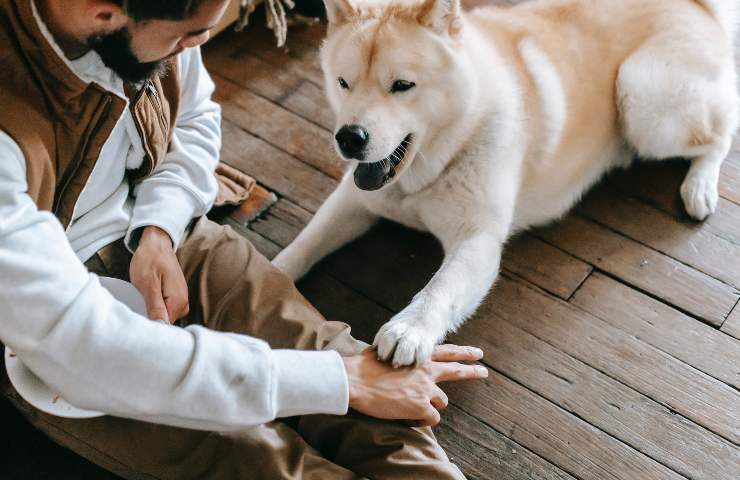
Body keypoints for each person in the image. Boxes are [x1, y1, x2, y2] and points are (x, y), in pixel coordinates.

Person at [0, 0, 488, 478]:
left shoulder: (157, 18)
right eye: (187, 36)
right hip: (31, 333)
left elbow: (194, 117)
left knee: (356, 376)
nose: (199, 44)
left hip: (165, 238)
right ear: (101, 14)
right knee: (259, 460)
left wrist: (159, 227)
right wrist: (337, 381)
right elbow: (84, 348)